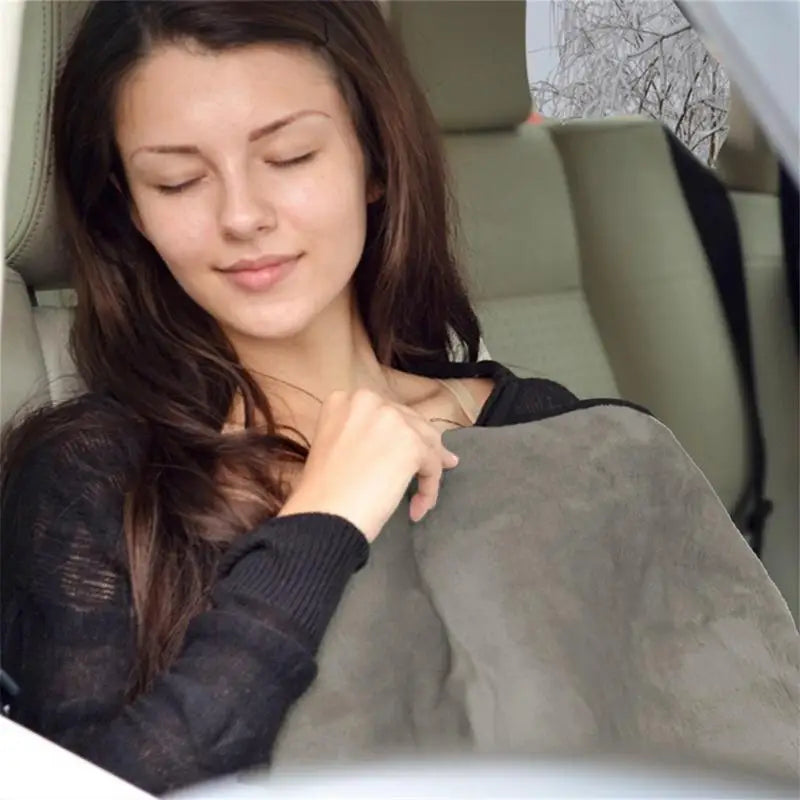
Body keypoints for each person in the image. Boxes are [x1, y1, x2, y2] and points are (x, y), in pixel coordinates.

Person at [0, 1, 580, 794]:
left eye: (290, 156)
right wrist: (320, 525)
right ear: (131, 208)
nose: (242, 216)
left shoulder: (544, 431)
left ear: (374, 162)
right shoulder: (94, 479)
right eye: (178, 180)